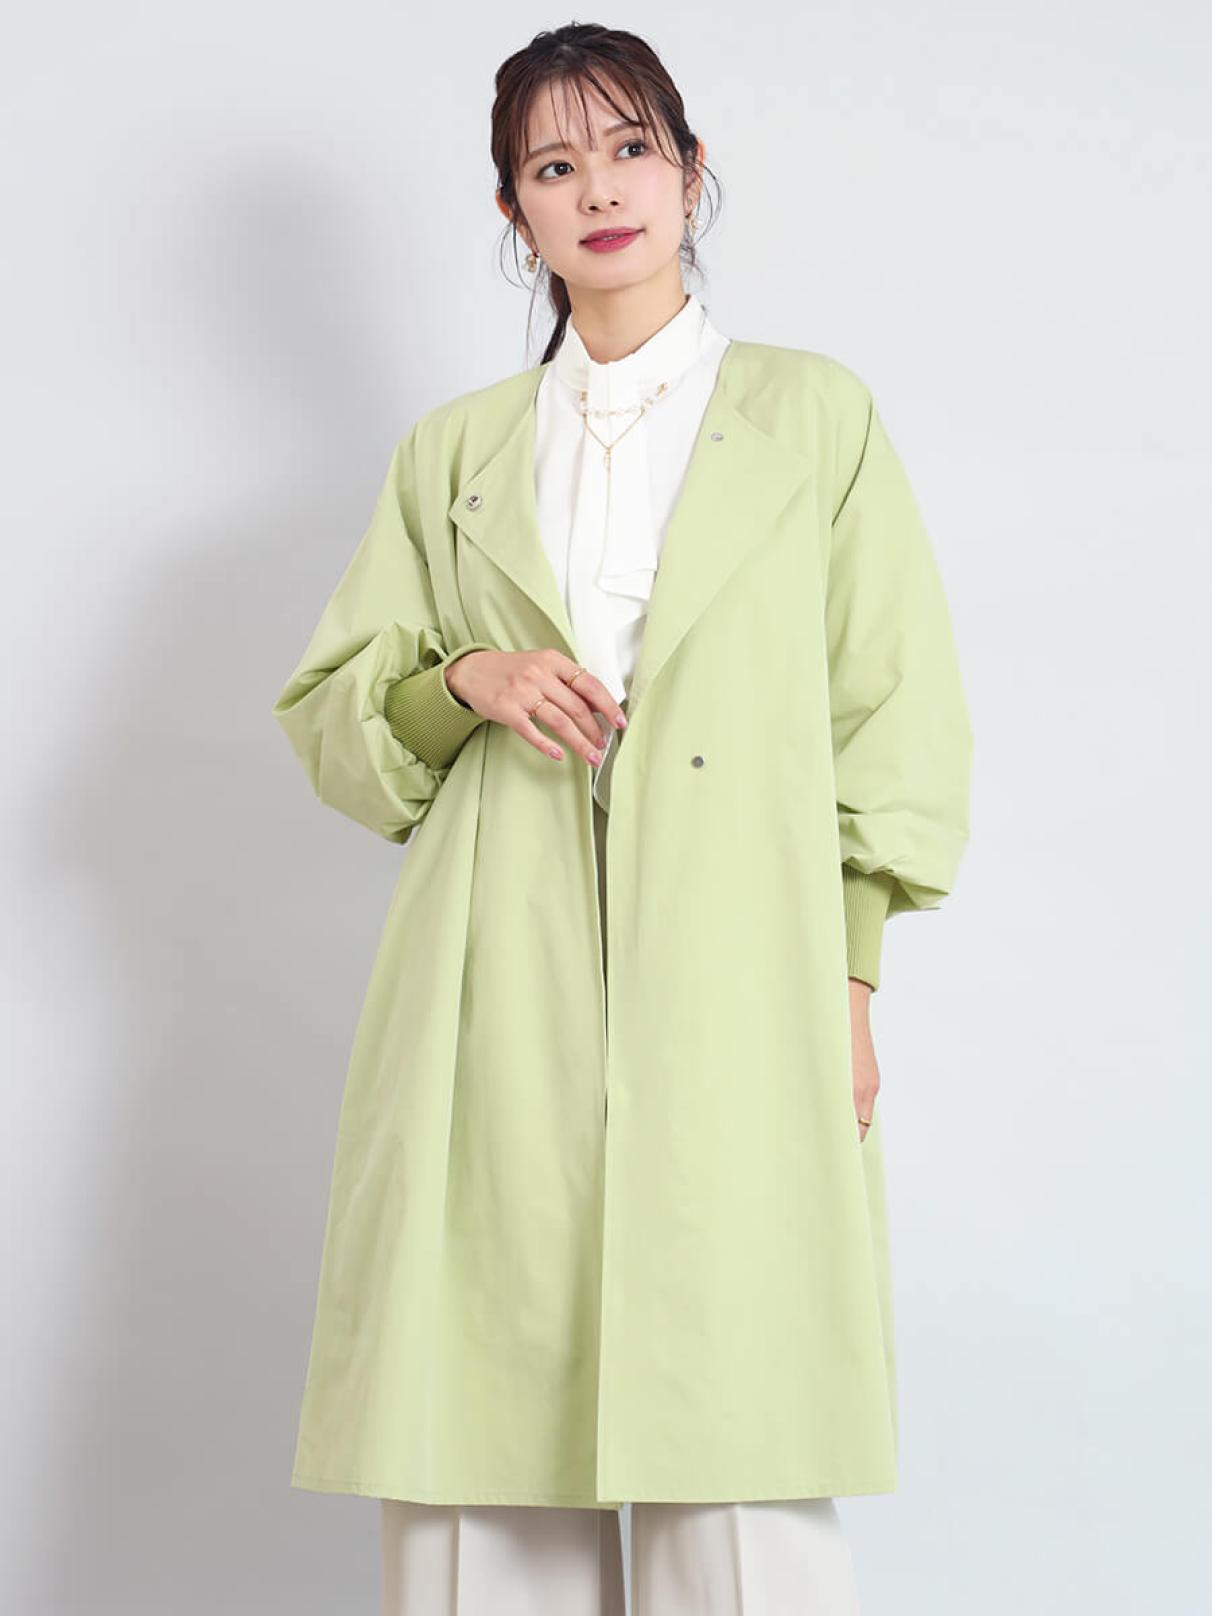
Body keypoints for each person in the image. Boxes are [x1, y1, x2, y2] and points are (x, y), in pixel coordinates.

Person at [271, 22, 973, 1616]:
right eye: (554, 164)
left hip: (742, 961)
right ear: (512, 211)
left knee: (737, 1433)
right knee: (483, 1424)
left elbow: (893, 709)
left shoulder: (813, 418)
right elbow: (335, 714)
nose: (599, 189)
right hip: (492, 973)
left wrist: (851, 980)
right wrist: (469, 677)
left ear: (692, 171)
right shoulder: (455, 452)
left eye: (631, 147)